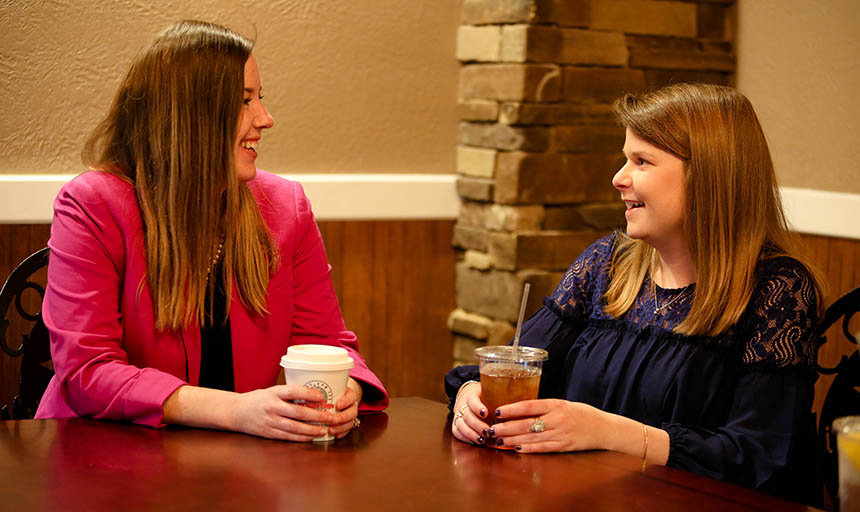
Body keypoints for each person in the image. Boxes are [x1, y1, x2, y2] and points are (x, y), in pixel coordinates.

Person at [445, 83, 823, 502]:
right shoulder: (607, 263)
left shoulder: (779, 290)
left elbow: (758, 457)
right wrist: (468, 399)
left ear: (709, 175)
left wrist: (607, 431)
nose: (618, 178)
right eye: (626, 159)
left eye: (641, 161)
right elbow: (516, 366)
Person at [35, 20, 388, 441]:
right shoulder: (92, 204)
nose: (266, 118)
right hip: (101, 457)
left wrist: (347, 387)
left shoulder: (287, 206)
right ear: (189, 117)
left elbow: (329, 342)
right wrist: (237, 410)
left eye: (261, 98)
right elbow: (86, 372)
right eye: (244, 101)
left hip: (239, 467)